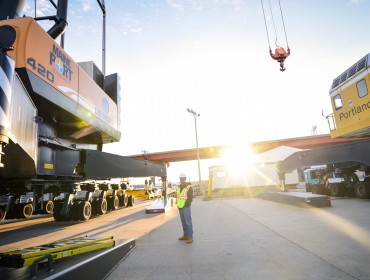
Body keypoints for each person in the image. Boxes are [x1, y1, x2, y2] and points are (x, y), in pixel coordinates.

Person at [176, 173, 194, 244]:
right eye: (181, 179)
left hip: (186, 207)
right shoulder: (179, 187)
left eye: (183, 178)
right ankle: (185, 235)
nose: (182, 180)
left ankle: (190, 237)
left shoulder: (189, 187)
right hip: (180, 207)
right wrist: (177, 205)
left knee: (188, 222)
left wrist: (185, 205)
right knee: (183, 222)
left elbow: (190, 198)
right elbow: (178, 196)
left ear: (185, 179)